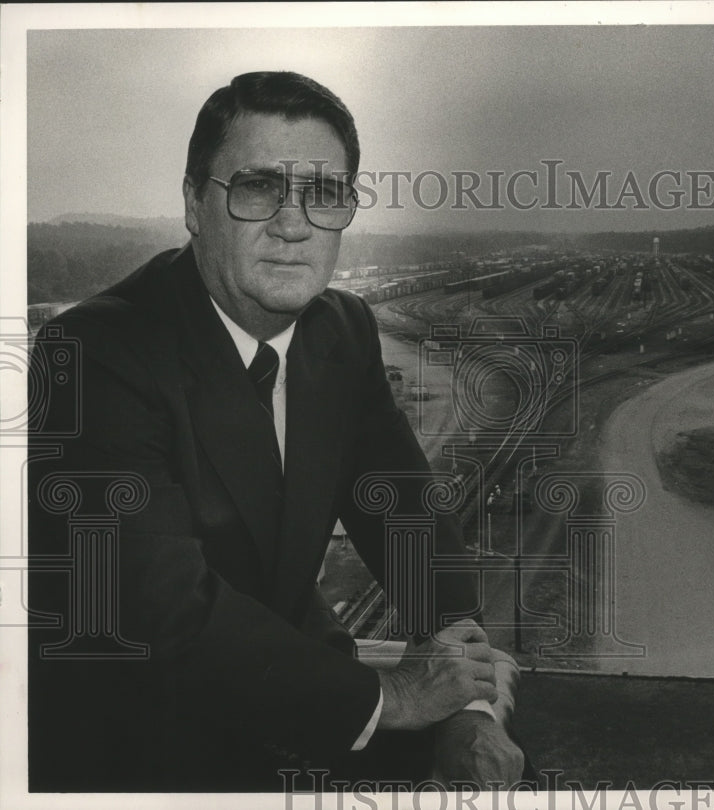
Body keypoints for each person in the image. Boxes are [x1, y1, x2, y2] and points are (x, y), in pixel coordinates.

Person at [27, 71, 523, 792]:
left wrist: (466, 704)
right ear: (195, 203)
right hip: (138, 742)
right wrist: (399, 696)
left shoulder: (341, 330)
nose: (294, 225)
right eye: (258, 187)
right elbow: (159, 612)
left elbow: (410, 523)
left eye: (324, 194)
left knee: (504, 775)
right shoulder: (95, 355)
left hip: (299, 696)